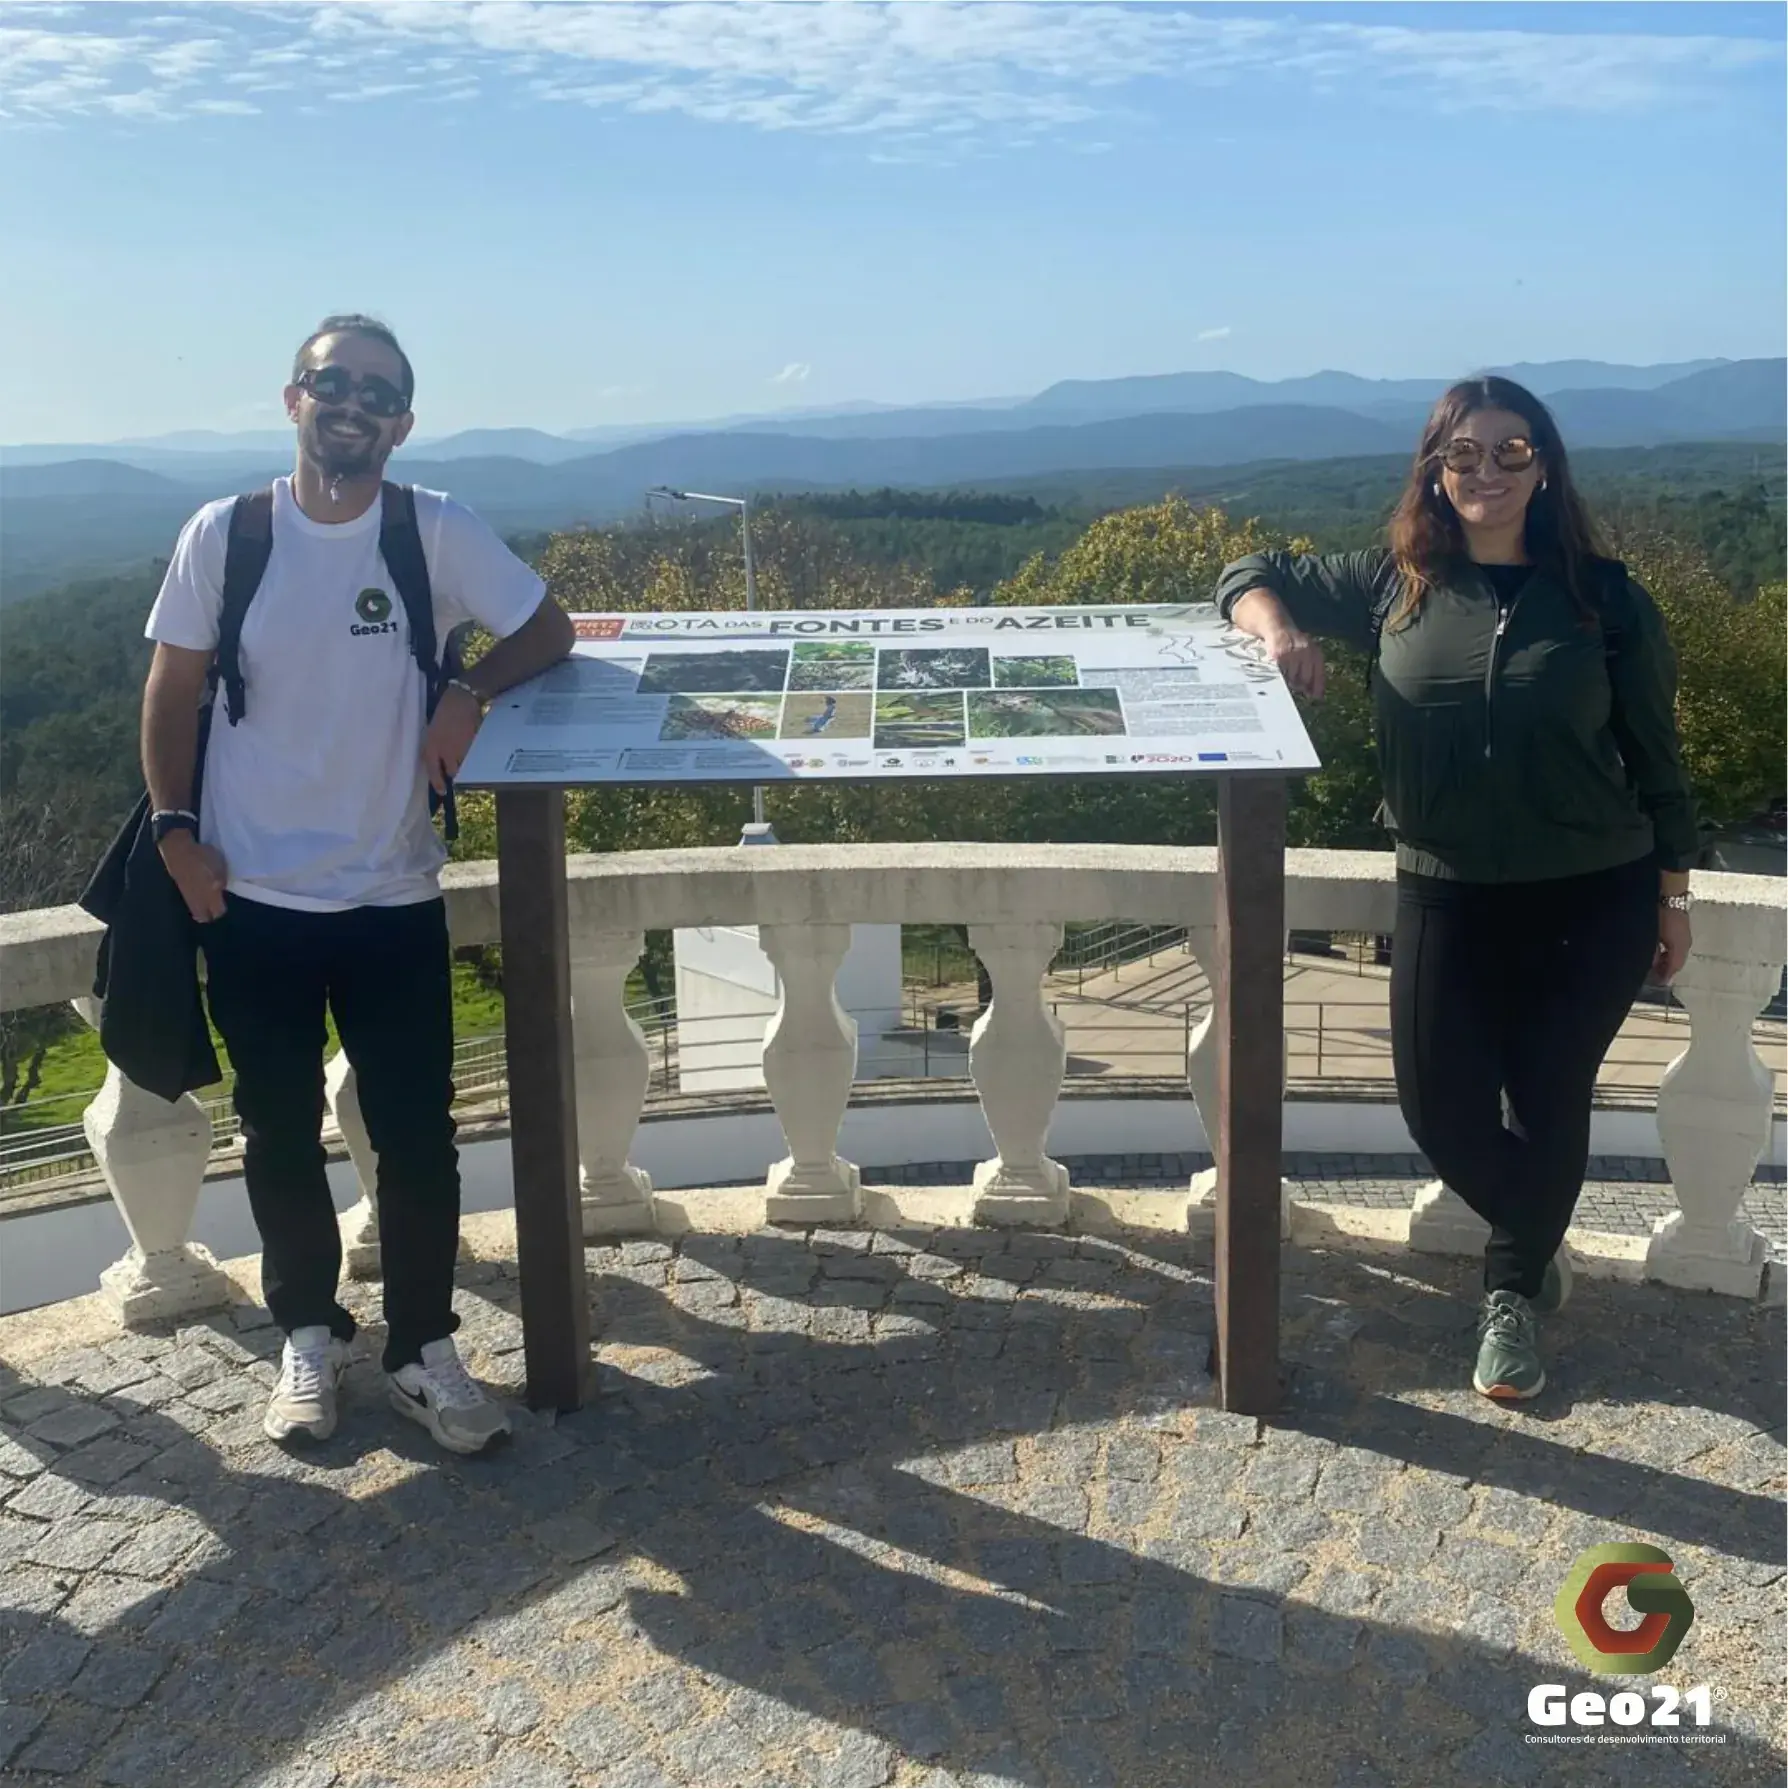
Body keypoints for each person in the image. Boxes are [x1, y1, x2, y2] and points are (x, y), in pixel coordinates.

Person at [1215, 376, 1697, 1401]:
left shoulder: (1605, 598)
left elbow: (1659, 761)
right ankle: (1535, 1237)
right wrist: (1278, 630)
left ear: (1545, 464)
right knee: (1438, 1106)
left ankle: (1511, 1296)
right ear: (1433, 470)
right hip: (1445, 890)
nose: (1487, 471)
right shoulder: (1394, 582)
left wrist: (1675, 895)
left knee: (1551, 1094)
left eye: (1510, 451)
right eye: (1463, 453)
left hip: (1592, 891)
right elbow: (1249, 570)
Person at [141, 315, 575, 1453]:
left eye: (379, 393)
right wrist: (176, 830)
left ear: (404, 422)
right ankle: (310, 1334)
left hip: (392, 891)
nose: (354, 403)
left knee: (418, 1135)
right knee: (276, 1128)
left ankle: (422, 1348)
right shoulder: (224, 534)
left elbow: (550, 627)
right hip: (251, 896)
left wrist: (468, 690)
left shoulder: (431, 532)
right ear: (294, 398)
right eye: (334, 382)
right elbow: (173, 687)